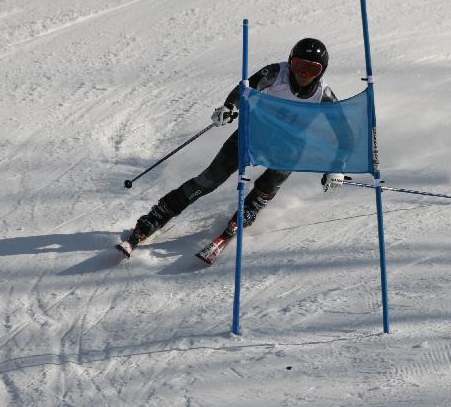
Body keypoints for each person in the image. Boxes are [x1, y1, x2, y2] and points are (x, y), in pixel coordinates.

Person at [117, 38, 346, 257]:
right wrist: (230, 107)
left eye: (312, 69)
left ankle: (249, 210)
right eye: (298, 66)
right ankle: (156, 217)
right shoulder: (276, 73)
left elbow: (345, 133)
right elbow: (244, 88)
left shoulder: (323, 95)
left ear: (322, 72)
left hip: (287, 148)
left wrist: (338, 166)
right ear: (290, 62)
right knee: (208, 180)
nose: (303, 74)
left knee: (273, 178)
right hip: (254, 135)